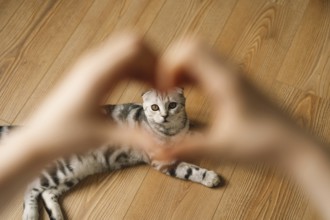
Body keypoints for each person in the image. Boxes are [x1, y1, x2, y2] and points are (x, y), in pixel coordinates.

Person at [0, 32, 329, 219]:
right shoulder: (150, 119)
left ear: (182, 100)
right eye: (154, 107)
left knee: (71, 171)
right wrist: (297, 150)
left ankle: (44, 194)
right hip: (92, 149)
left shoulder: (178, 117)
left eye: (171, 105)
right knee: (70, 167)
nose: (161, 113)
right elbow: (159, 161)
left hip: (98, 153)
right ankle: (37, 196)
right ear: (144, 102)